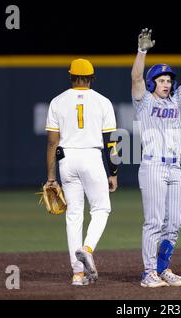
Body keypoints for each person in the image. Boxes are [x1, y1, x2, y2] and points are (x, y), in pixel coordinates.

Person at [131, 28, 181, 287]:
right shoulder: (144, 102)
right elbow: (136, 77)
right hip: (152, 165)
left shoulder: (175, 102)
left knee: (174, 222)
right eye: (161, 80)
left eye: (168, 80)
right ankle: (148, 272)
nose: (166, 83)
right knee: (154, 221)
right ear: (154, 83)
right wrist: (142, 52)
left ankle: (163, 269)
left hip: (175, 168)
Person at [45, 58, 119, 286]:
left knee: (74, 215)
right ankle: (87, 249)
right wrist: (113, 171)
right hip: (91, 157)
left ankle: (77, 274)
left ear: (70, 77)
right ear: (91, 78)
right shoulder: (103, 101)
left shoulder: (57, 101)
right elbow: (112, 142)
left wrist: (51, 177)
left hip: (66, 159)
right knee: (101, 208)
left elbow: (51, 143)